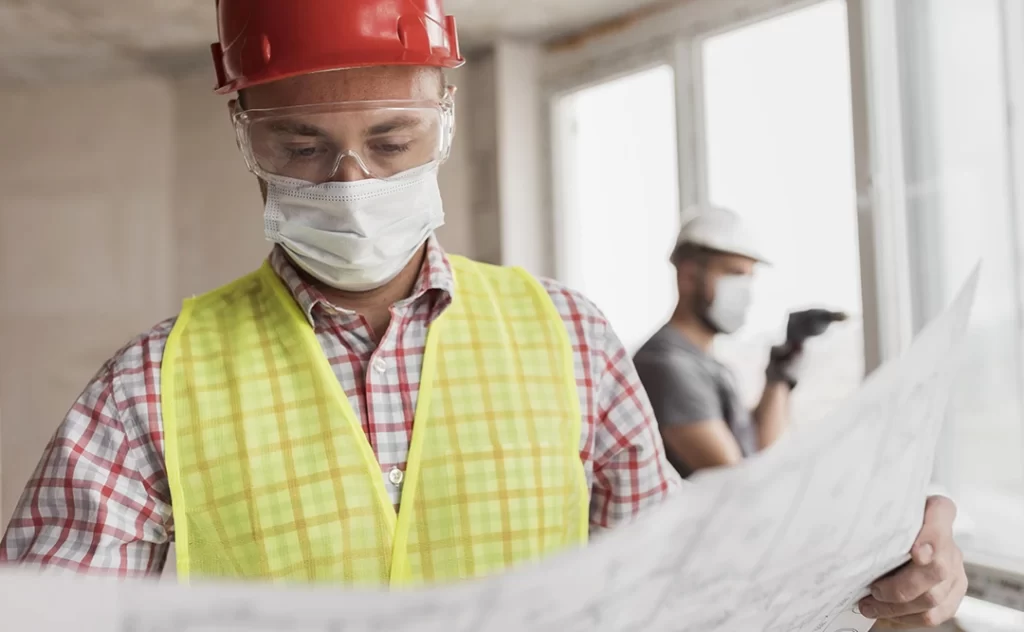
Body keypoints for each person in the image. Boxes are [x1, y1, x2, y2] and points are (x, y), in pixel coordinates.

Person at [0, 1, 965, 626]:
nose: (350, 180)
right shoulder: (150, 387)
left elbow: (687, 604)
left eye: (391, 137)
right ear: (242, 134)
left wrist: (872, 586)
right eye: (298, 145)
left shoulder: (571, 341)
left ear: (446, 115)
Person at [635, 205, 847, 478]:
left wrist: (780, 371)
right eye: (734, 273)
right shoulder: (666, 366)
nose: (745, 291)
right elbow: (738, 480)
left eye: (749, 277)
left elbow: (761, 446)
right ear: (688, 277)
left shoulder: (702, 362)